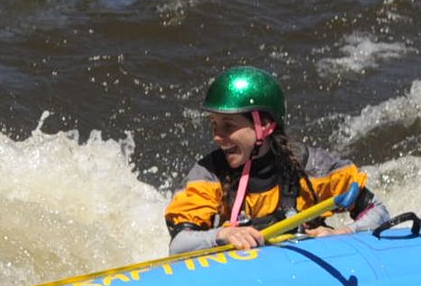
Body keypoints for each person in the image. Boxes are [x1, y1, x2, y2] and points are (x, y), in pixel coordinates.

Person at [164, 65, 389, 255]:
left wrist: (344, 233)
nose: (216, 136)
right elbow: (178, 245)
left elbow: (377, 210)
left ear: (265, 125)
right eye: (214, 124)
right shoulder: (207, 176)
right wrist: (222, 234)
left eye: (228, 126)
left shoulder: (312, 168)